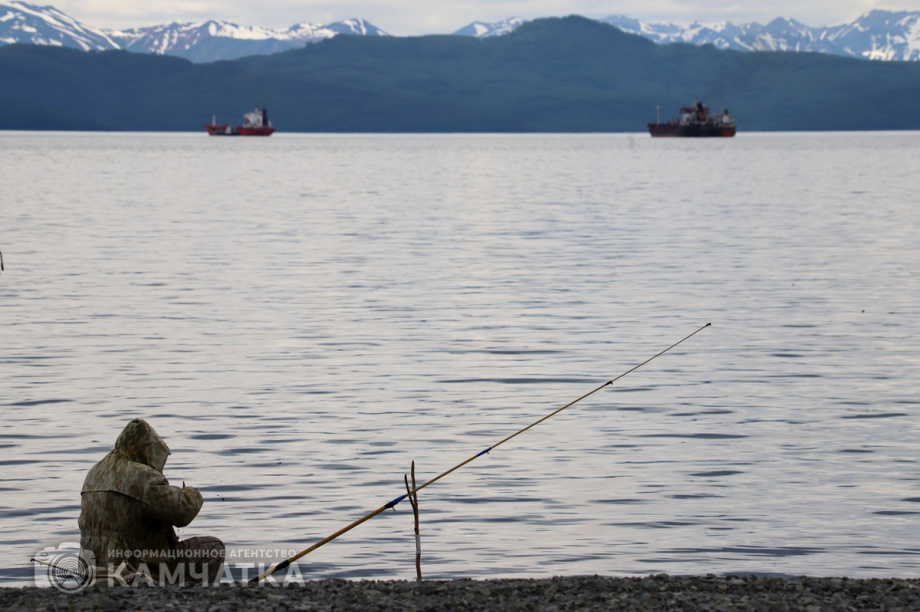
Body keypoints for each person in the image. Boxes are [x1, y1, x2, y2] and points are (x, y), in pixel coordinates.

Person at [79, 418, 224, 585]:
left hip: (92, 566)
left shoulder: (95, 472)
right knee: (213, 548)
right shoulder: (142, 475)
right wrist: (191, 493)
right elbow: (183, 512)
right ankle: (195, 600)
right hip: (132, 568)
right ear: (146, 450)